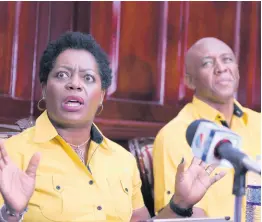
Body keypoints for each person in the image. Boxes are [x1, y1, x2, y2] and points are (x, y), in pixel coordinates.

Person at [0, 32, 225, 222]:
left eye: (88, 78)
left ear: (101, 96)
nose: (74, 84)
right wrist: (11, 213)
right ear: (44, 88)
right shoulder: (10, 154)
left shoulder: (123, 160)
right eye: (62, 75)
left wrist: (180, 204)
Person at [153, 37, 261, 220]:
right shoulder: (176, 134)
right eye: (207, 63)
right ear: (190, 81)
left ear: (237, 70)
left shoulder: (259, 122)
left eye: (227, 59)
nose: (221, 68)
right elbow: (190, 215)